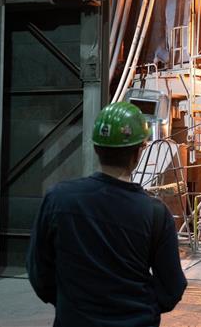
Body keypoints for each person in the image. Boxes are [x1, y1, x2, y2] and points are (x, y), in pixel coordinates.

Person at [27, 102, 187, 327]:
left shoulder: (58, 199)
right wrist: (140, 308)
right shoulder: (155, 214)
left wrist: (69, 302)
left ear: (96, 148)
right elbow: (172, 288)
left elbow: (39, 272)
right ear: (139, 152)